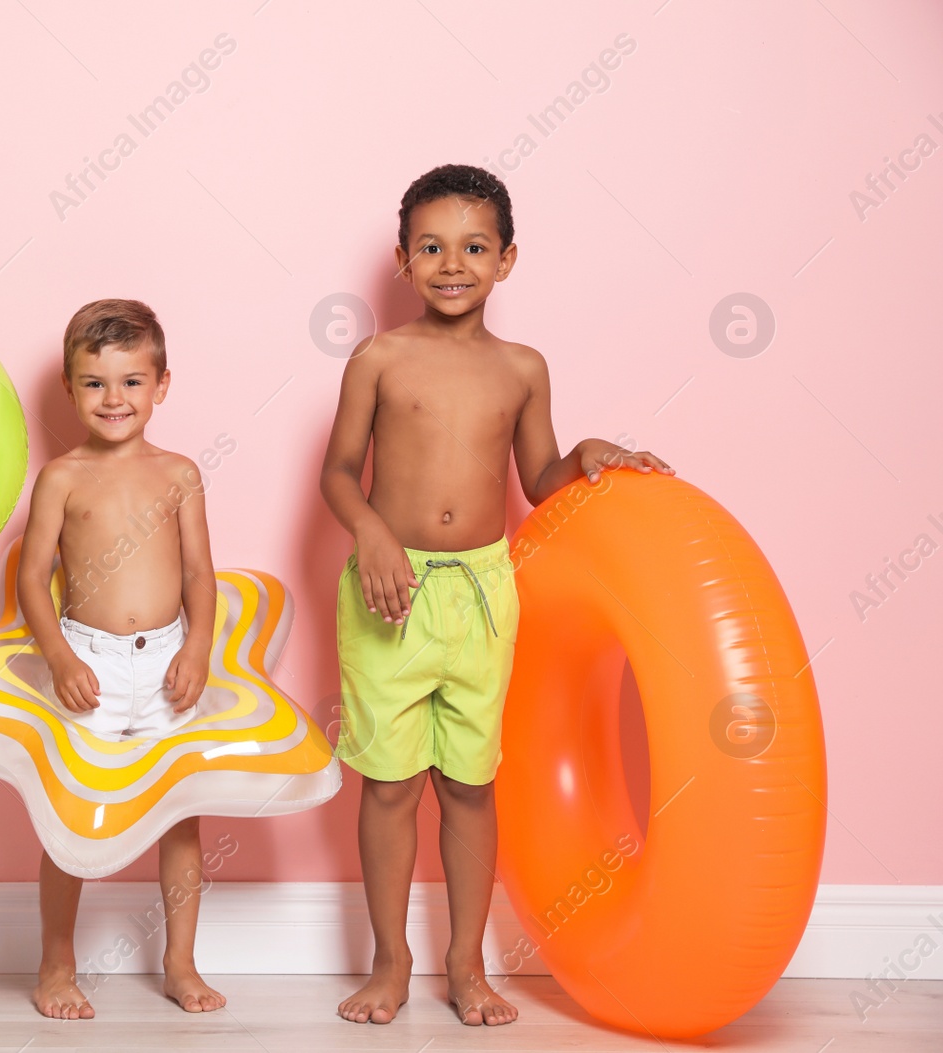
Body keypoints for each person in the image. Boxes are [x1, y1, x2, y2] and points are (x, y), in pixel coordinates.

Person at [319, 165, 673, 1027]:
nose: (453, 263)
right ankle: (390, 959)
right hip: (389, 589)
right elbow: (336, 472)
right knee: (391, 784)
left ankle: (466, 964)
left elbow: (539, 475)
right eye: (432, 247)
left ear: (506, 259)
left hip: (481, 591)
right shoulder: (378, 358)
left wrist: (584, 451)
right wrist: (369, 532)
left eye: (474, 247)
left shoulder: (522, 368)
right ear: (403, 260)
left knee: (470, 784)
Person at [16, 299, 224, 1019]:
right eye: (95, 383)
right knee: (72, 814)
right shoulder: (62, 477)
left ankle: (180, 961)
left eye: (132, 382)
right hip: (90, 662)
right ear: (71, 389)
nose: (114, 399)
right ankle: (55, 964)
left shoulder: (180, 474)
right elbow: (31, 576)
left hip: (167, 660)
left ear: (162, 384)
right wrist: (59, 655)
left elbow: (200, 574)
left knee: (182, 813)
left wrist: (197, 645)